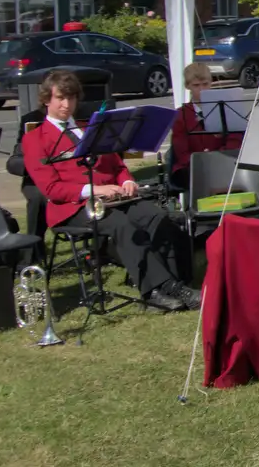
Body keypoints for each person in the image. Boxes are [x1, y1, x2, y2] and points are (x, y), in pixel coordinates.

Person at [22, 69, 198, 312]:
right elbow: (52, 189)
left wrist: (126, 180)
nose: (67, 104)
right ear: (46, 100)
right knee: (122, 225)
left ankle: (176, 282)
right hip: (73, 207)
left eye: (72, 98)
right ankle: (157, 291)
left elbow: (117, 165)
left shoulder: (91, 127)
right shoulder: (35, 139)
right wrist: (94, 190)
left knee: (156, 217)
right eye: (60, 98)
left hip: (113, 196)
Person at [168, 62, 244, 193]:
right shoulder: (181, 115)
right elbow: (181, 151)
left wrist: (217, 156)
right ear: (187, 86)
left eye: (205, 84)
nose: (202, 90)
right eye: (196, 85)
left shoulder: (225, 107)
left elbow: (235, 139)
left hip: (223, 159)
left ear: (211, 83)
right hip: (192, 166)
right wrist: (203, 159)